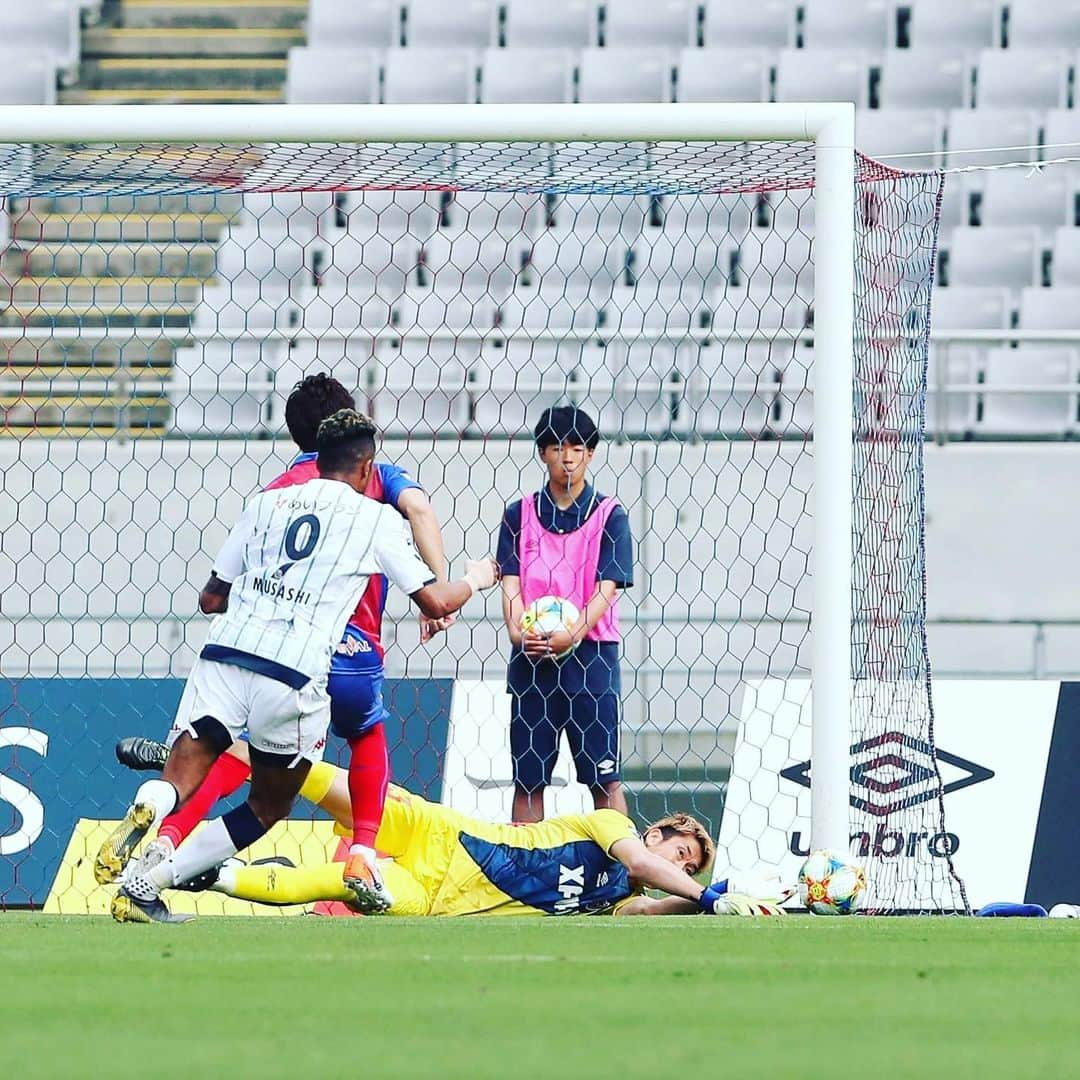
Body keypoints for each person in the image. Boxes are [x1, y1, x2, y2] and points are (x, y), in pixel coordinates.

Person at [101, 409, 499, 923]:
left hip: (223, 657)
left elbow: (211, 598)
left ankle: (149, 814)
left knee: (184, 774)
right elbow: (437, 602)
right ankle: (150, 884)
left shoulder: (264, 503)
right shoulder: (374, 517)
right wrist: (477, 578)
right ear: (365, 470)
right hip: (291, 673)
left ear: (317, 460)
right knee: (268, 806)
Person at [178, 761, 787, 918]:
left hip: (441, 898)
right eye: (679, 852)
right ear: (655, 832)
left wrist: (723, 894)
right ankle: (223, 754)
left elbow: (657, 904)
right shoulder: (615, 830)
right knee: (328, 783)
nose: (680, 863)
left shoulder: (615, 902)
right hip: (442, 831)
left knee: (348, 883)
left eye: (690, 864)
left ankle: (210, 875)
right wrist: (704, 894)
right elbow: (646, 868)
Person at [496, 406, 634, 823]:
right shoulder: (518, 514)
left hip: (591, 660)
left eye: (578, 447)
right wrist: (519, 635)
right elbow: (510, 583)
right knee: (528, 779)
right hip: (533, 658)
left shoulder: (611, 514)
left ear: (591, 454)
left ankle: (622, 876)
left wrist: (573, 633)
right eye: (557, 447)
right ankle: (523, 874)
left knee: (604, 779)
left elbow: (607, 587)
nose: (568, 456)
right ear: (542, 453)